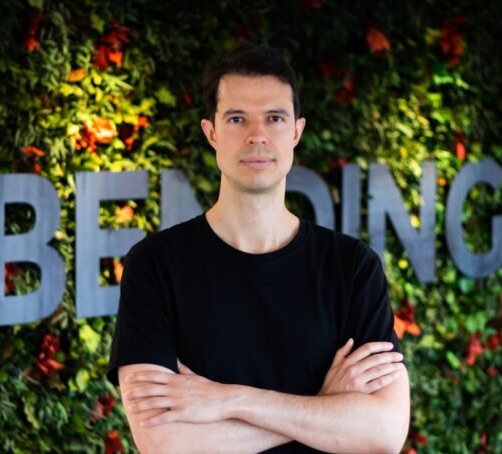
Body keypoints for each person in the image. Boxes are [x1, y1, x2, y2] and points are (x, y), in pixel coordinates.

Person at [107, 42, 410, 453]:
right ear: (211, 132)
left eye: (274, 118)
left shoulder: (352, 266)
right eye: (237, 119)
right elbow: (165, 445)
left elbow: (385, 431)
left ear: (296, 132)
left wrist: (229, 400)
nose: (257, 135)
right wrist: (322, 404)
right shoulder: (155, 265)